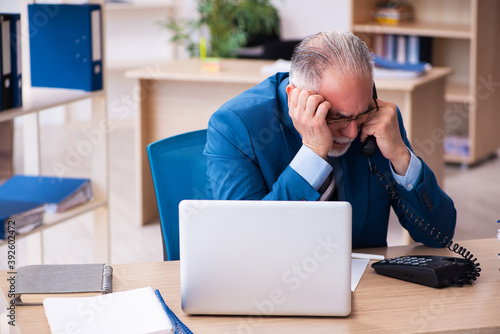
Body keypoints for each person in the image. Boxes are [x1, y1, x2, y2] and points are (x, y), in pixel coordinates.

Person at [204, 30, 456, 248]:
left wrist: (401, 156)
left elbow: (440, 235)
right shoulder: (234, 126)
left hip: (369, 289)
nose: (353, 133)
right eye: (335, 117)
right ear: (295, 97)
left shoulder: (380, 121)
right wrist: (312, 153)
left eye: (362, 113)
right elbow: (246, 242)